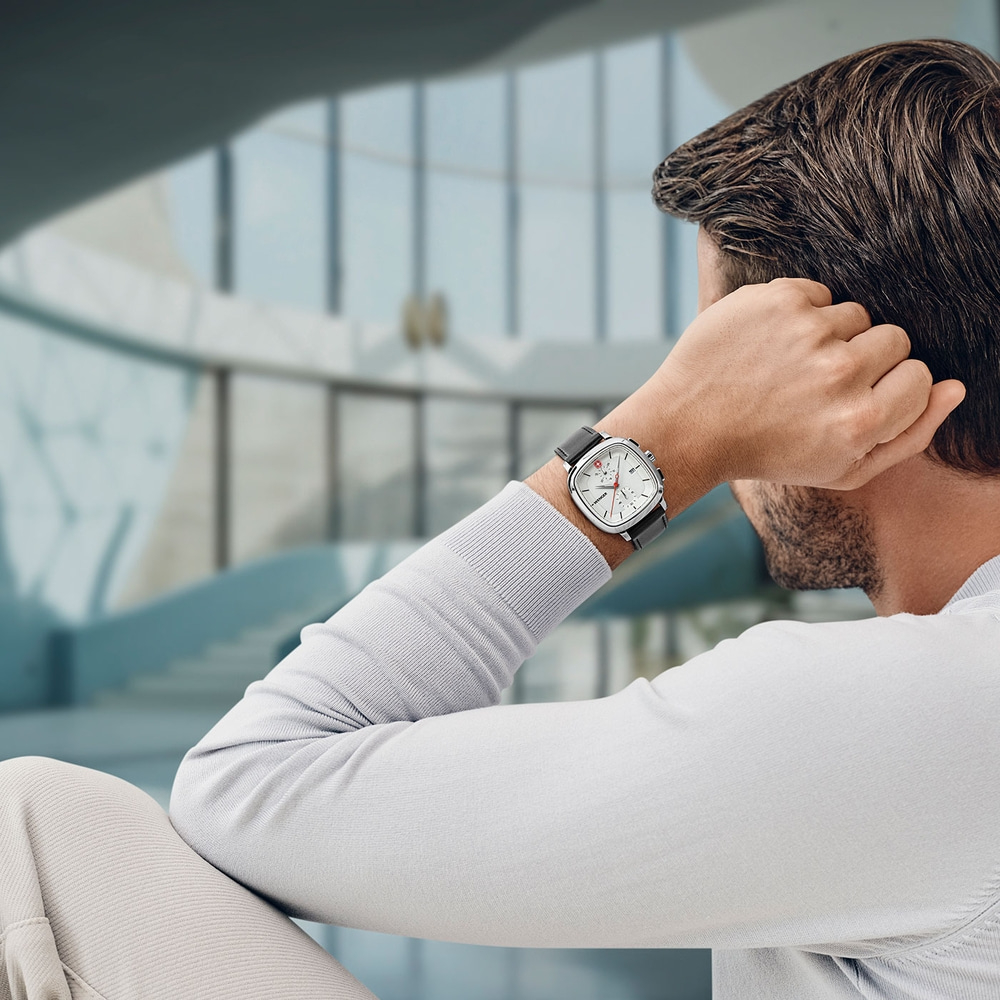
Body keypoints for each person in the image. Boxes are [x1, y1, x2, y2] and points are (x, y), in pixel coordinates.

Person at [2, 37, 996, 1000]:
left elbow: (248, 782)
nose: (699, 383)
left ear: (854, 379)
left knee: (34, 828)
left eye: (717, 350)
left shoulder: (900, 718)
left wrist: (665, 438)